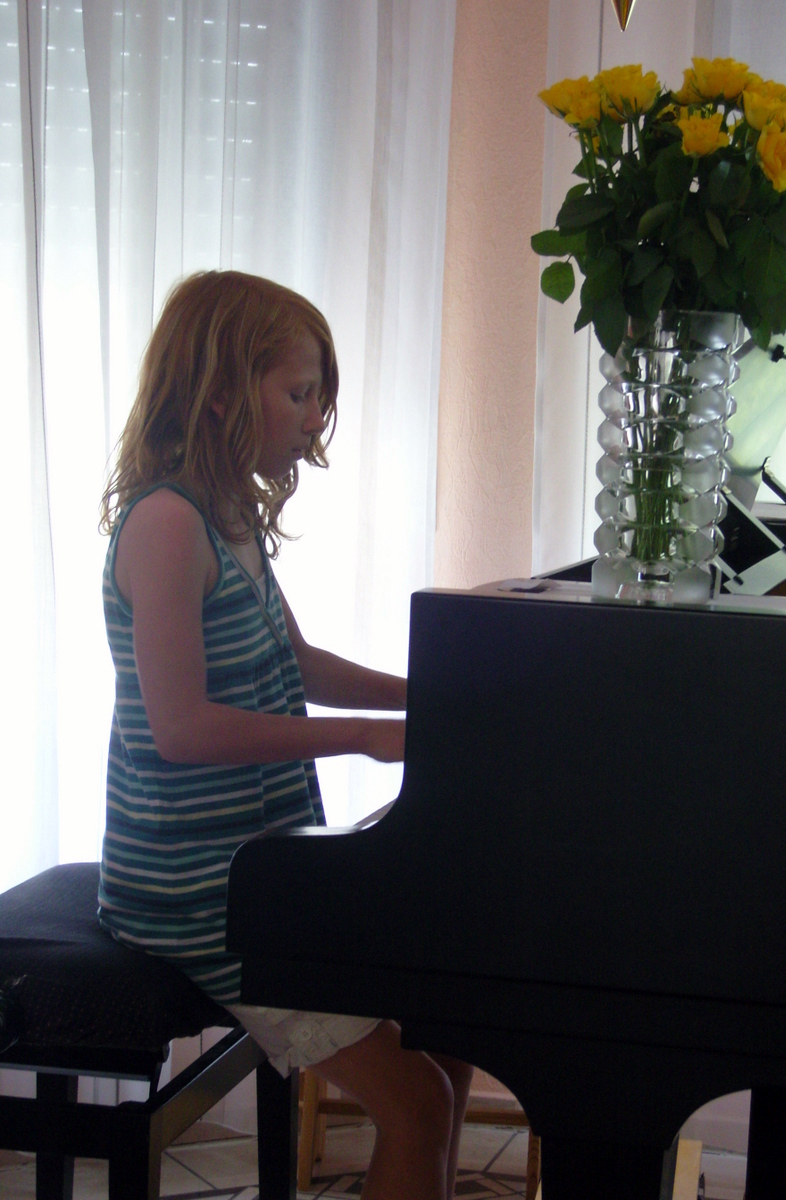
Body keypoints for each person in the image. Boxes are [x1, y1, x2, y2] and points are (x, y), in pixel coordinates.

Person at [97, 269, 473, 1200]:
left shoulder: (226, 514)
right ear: (222, 393)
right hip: (196, 891)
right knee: (417, 1102)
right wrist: (361, 739)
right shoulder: (166, 525)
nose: (315, 421)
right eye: (299, 394)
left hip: (262, 865)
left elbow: (295, 663)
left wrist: (438, 700)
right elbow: (181, 730)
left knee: (453, 1031)